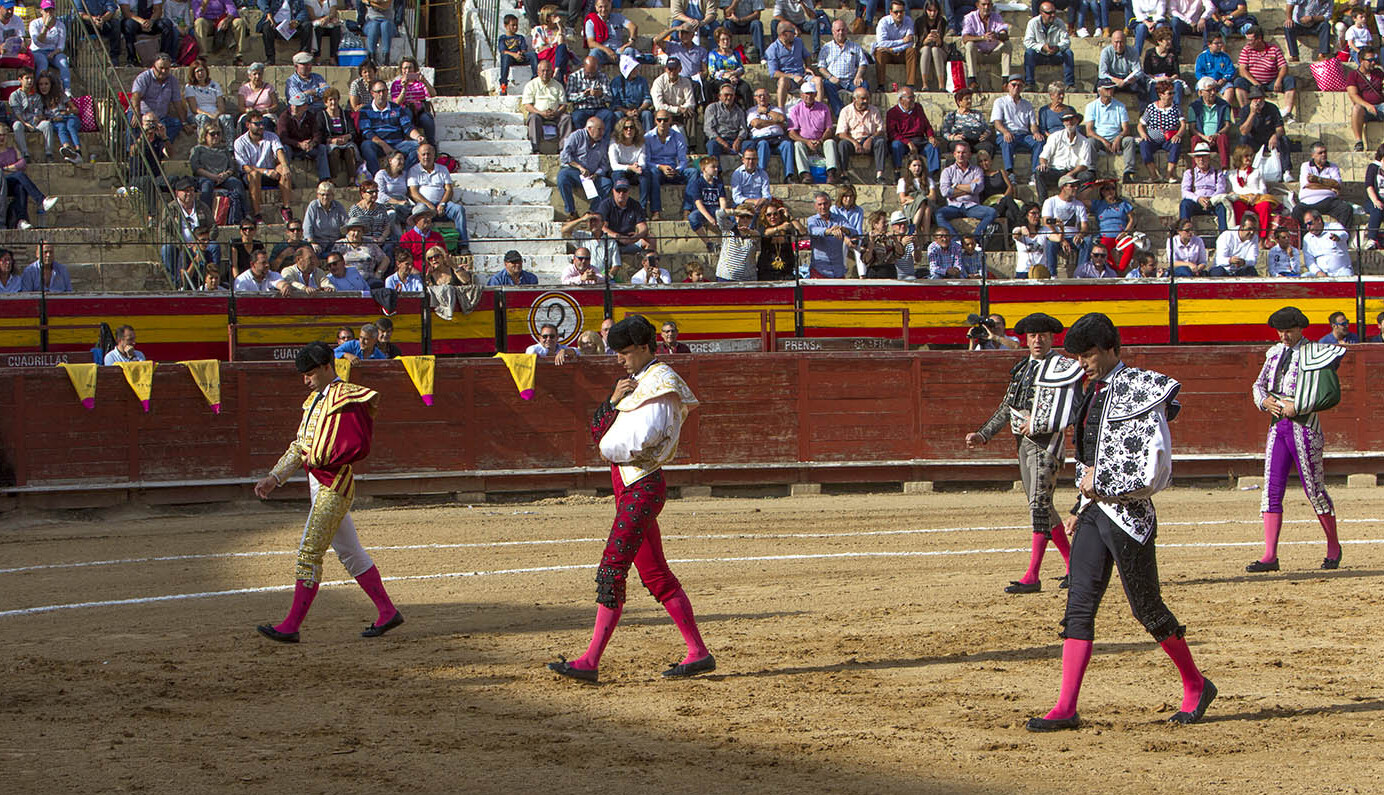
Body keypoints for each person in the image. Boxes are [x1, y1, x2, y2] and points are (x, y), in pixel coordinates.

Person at [1026, 312, 1215, 733]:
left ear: (1111, 348)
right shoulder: (1091, 391)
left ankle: (1196, 683)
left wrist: (1101, 485)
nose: (1082, 363)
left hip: (1130, 516)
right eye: (1078, 356)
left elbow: (1156, 470)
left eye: (1089, 354)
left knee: (1146, 607)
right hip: (1094, 513)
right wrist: (1079, 505)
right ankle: (1066, 707)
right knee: (1078, 606)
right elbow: (1091, 459)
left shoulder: (1144, 389)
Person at [548, 315, 712, 684]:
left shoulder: (661, 383)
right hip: (630, 488)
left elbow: (636, 441)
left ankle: (590, 661)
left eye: (623, 352)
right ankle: (698, 652)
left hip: (641, 487)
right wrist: (612, 401)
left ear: (642, 347)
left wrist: (610, 442)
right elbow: (598, 430)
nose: (619, 359)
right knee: (655, 575)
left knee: (612, 569)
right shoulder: (632, 383)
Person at [253, 342, 401, 643]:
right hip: (319, 484)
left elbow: (357, 443)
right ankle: (387, 612)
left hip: (333, 486)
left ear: (325, 367)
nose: (305, 380)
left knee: (309, 553)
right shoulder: (313, 402)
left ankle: (291, 626)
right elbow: (300, 446)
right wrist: (274, 477)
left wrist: (320, 458)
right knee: (350, 552)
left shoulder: (346, 396)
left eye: (310, 374)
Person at [966, 312, 1081, 592]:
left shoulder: (1062, 368)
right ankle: (1074, 567)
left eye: (1043, 336)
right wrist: (983, 434)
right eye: (1032, 336)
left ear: (1051, 339)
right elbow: (1007, 408)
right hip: (1023, 444)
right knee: (1042, 506)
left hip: (1046, 445)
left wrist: (1039, 423)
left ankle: (1032, 576)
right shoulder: (1022, 369)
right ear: (1026, 340)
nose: (1037, 340)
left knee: (1039, 506)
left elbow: (1071, 407)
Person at [1247, 306, 1346, 574]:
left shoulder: (1315, 353)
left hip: (1305, 427)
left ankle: (1333, 547)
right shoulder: (1274, 353)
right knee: (1271, 490)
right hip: (1278, 427)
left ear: (1300, 329)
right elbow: (1258, 385)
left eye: (1288, 331)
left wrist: (1298, 406)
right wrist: (1264, 401)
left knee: (1314, 489)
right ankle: (1270, 556)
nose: (1284, 336)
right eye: (1280, 331)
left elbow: (1328, 394)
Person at [406, 143, 469, 252]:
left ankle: (462, 244)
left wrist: (442, 203)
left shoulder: (443, 169)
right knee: (419, 211)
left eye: (429, 154)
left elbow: (449, 189)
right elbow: (413, 193)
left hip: (442, 204)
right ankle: (419, 246)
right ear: (418, 156)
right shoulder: (414, 170)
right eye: (423, 154)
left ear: (434, 155)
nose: (426, 157)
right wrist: (429, 204)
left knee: (459, 209)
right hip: (424, 205)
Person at [234, 109, 294, 223]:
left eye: (262, 123)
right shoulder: (239, 142)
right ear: (248, 125)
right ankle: (257, 214)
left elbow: (279, 151)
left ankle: (286, 208)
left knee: (283, 169)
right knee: (253, 174)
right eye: (257, 124)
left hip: (271, 173)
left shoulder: (272, 136)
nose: (261, 126)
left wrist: (285, 165)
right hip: (251, 176)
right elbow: (245, 167)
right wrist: (265, 171)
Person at [357, 79, 424, 175]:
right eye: (378, 91)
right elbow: (367, 132)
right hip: (378, 145)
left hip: (397, 145)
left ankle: (402, 174)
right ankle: (377, 176)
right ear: (372, 93)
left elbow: (407, 127)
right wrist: (384, 145)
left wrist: (418, 136)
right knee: (366, 146)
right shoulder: (365, 110)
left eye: (384, 91)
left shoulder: (396, 108)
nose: (381, 94)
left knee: (418, 147)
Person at [1234, 26, 1298, 124]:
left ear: (1259, 39)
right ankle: (1246, 112)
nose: (1248, 43)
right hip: (1253, 82)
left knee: (1290, 80)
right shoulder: (1246, 50)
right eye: (1247, 40)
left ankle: (1287, 112)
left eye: (1251, 40)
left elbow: (1283, 67)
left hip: (1271, 82)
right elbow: (1242, 70)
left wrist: (1279, 80)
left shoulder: (1273, 49)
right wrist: (1255, 83)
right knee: (1239, 82)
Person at [0, 127, 58, 230]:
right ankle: (41, 200)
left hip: (13, 181)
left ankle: (21, 221)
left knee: (21, 187)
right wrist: (12, 168)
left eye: (3, 135)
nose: (2, 137)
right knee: (19, 175)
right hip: (3, 183)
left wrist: (8, 168)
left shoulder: (12, 150)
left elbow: (22, 163)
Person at [936, 142, 997, 239]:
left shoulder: (977, 170)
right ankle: (956, 240)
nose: (961, 155)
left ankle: (975, 239)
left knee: (991, 212)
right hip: (954, 206)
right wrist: (970, 188)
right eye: (958, 152)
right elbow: (945, 192)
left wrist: (955, 186)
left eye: (964, 152)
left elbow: (979, 188)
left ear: (969, 154)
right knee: (939, 214)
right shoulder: (947, 171)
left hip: (972, 206)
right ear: (954, 154)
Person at [161, 176, 215, 287]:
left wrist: (205, 240)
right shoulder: (171, 209)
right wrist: (179, 244)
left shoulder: (202, 207)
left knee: (215, 246)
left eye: (191, 190)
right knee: (166, 248)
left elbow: (213, 226)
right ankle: (175, 284)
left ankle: (212, 279)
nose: (189, 193)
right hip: (180, 245)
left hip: (201, 244)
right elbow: (163, 230)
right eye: (185, 191)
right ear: (177, 193)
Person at [557, 116, 612, 220]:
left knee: (607, 183)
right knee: (562, 176)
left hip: (592, 176)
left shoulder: (604, 143)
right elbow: (565, 156)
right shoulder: (576, 136)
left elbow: (604, 164)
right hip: (575, 172)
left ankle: (591, 212)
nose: (602, 133)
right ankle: (571, 211)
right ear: (589, 128)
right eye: (599, 129)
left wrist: (596, 174)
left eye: (603, 130)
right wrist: (579, 167)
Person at [991, 75, 1044, 182]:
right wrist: (1005, 132)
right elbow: (997, 123)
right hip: (1007, 133)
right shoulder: (1000, 102)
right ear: (1008, 86)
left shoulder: (1027, 104)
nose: (1016, 87)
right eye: (1013, 85)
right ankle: (1010, 173)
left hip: (1023, 135)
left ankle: (1035, 173)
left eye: (1019, 85)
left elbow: (1033, 124)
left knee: (1039, 141)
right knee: (1007, 141)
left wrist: (1036, 132)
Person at [1035, 110, 1092, 202]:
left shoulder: (1084, 141)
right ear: (1063, 122)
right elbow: (1044, 156)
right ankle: (1042, 203)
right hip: (1056, 171)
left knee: (1088, 176)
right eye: (1066, 120)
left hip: (1073, 173)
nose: (1069, 122)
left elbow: (1084, 164)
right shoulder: (1055, 136)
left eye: (1072, 119)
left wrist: (1071, 174)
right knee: (1039, 172)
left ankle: (1078, 202)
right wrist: (1043, 164)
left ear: (1077, 120)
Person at [1292, 142, 1353, 227]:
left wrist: (1318, 180)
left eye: (1325, 152)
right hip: (1308, 202)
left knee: (1346, 208)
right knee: (1296, 211)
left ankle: (1341, 234)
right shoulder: (1306, 166)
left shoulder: (1333, 166)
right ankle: (1304, 235)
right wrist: (1329, 187)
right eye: (1320, 153)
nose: (1324, 155)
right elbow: (1308, 185)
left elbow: (1337, 184)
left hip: (1328, 201)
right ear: (1313, 155)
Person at [815, 18, 868, 116]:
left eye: (843, 30)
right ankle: (841, 114)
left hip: (851, 80)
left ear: (847, 31)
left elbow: (863, 63)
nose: (841, 32)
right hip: (833, 80)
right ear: (833, 31)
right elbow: (821, 67)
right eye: (838, 30)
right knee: (826, 85)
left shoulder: (855, 46)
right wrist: (830, 77)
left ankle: (861, 112)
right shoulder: (826, 48)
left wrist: (858, 76)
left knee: (864, 86)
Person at [887, 87, 942, 178]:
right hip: (903, 142)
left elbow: (927, 125)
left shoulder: (918, 108)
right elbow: (892, 134)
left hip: (919, 140)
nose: (913, 100)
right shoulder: (892, 113)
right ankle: (897, 173)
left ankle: (931, 176)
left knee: (933, 146)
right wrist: (908, 142)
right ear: (901, 100)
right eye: (910, 97)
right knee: (896, 145)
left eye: (913, 97)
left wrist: (931, 136)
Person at [836, 86, 887, 184]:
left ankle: (880, 175)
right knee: (842, 144)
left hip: (870, 139)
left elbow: (881, 130)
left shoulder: (874, 110)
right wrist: (854, 142)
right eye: (863, 99)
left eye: (867, 98)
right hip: (853, 140)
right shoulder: (846, 111)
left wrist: (871, 139)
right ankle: (844, 174)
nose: (866, 101)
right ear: (854, 99)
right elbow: (841, 133)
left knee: (881, 142)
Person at [521, 59, 572, 155]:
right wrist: (541, 113)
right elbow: (527, 106)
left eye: (548, 71)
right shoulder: (531, 85)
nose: (545, 73)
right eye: (543, 71)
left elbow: (563, 105)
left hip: (555, 114)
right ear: (538, 72)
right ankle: (535, 148)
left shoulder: (558, 85)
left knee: (566, 118)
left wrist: (557, 112)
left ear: (552, 72)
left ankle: (563, 149)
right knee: (533, 118)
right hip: (538, 114)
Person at [1236, 86, 1290, 176]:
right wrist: (1252, 113)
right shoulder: (1245, 110)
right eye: (1255, 98)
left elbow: (1280, 129)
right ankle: (1244, 169)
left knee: (1284, 139)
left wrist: (1275, 136)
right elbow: (1244, 131)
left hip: (1269, 140)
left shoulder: (1272, 108)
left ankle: (1286, 171)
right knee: (1243, 139)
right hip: (1254, 140)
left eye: (1260, 98)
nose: (1258, 101)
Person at [278, 93, 331, 184]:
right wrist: (298, 144)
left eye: (298, 106)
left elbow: (318, 134)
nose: (295, 108)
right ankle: (287, 180)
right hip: (293, 147)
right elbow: (283, 138)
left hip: (307, 147)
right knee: (285, 149)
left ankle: (324, 179)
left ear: (305, 107)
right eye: (293, 105)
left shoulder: (310, 116)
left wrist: (312, 143)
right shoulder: (284, 117)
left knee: (321, 148)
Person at [960, 0, 1013, 91]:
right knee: (969, 45)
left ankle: (1005, 82)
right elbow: (965, 38)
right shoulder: (969, 17)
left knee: (1007, 44)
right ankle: (972, 81)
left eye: (988, 5)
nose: (986, 7)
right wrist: (982, 37)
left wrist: (997, 35)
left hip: (993, 53)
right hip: (978, 54)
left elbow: (1005, 35)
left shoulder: (997, 17)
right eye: (983, 4)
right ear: (977, 5)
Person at [1138, 82, 1185, 183]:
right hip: (1153, 140)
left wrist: (1178, 134)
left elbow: (1183, 124)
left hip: (1169, 139)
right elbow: (1140, 125)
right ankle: (1153, 175)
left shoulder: (1176, 108)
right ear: (1161, 95)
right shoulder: (1151, 108)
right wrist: (1143, 134)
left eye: (1173, 93)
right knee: (1144, 145)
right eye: (1169, 93)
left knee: (1176, 144)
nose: (1172, 96)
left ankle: (1169, 174)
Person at [1024, 2, 1076, 88]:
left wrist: (1057, 47)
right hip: (1040, 54)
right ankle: (1030, 84)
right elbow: (1027, 42)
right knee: (1029, 53)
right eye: (1049, 13)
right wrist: (1042, 47)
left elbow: (1066, 41)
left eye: (1054, 12)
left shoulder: (1060, 22)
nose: (1052, 15)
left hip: (1055, 54)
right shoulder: (1033, 23)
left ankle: (1070, 85)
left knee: (1068, 53)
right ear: (1041, 13)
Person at [765, 23, 815, 110]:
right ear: (784, 34)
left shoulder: (798, 42)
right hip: (788, 79)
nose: (795, 34)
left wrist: (808, 67)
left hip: (803, 76)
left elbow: (807, 56)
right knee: (782, 82)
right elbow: (774, 73)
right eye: (792, 31)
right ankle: (781, 110)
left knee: (818, 81)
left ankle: (819, 110)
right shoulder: (772, 49)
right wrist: (793, 77)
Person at [1179, 141, 1229, 231]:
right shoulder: (1189, 173)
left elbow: (1221, 189)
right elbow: (1185, 191)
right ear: (1195, 159)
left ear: (1209, 158)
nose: (1201, 159)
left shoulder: (1218, 173)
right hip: (1196, 203)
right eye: (1198, 157)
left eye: (1204, 156)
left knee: (1222, 206)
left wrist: (1211, 199)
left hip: (1213, 202)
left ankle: (1224, 234)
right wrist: (1198, 199)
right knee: (1185, 204)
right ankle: (1184, 232)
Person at [746, 87, 794, 178]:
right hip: (761, 139)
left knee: (787, 144)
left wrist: (767, 111)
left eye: (765, 95)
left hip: (778, 139)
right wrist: (775, 122)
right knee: (763, 144)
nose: (762, 98)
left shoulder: (776, 109)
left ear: (769, 97)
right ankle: (761, 175)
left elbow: (781, 119)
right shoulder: (751, 111)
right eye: (759, 96)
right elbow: (757, 124)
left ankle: (789, 176)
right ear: (755, 98)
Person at [598, 177, 654, 253]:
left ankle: (650, 260)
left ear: (629, 191)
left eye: (624, 191)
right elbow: (602, 227)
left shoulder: (635, 205)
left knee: (651, 238)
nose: (621, 194)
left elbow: (643, 227)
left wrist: (637, 236)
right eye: (618, 190)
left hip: (630, 241)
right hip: (612, 242)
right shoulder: (605, 205)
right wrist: (619, 237)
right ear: (613, 191)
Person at [1188, 76, 1232, 171]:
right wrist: (1204, 137)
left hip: (1217, 136)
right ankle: (1195, 169)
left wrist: (1217, 134)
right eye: (1209, 90)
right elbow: (1192, 127)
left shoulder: (1224, 105)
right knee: (1195, 139)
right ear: (1201, 92)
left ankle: (1225, 168)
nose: (1212, 93)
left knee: (1223, 138)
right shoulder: (1194, 106)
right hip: (1202, 138)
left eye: (1214, 90)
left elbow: (1227, 125)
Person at [1089, 181, 1136, 271]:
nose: (1110, 191)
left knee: (1130, 246)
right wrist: (1094, 186)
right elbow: (1080, 199)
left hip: (1121, 235)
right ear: (1102, 191)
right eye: (1107, 189)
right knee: (1102, 249)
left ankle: (1121, 269)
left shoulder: (1123, 204)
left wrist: (1125, 232)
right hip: (1105, 235)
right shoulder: (1098, 204)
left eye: (1113, 188)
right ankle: (1114, 270)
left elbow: (1132, 219)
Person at [684, 158, 729, 251]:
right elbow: (698, 204)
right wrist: (710, 218)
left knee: (733, 218)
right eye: (713, 167)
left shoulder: (719, 183)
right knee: (692, 217)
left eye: (717, 167)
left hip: (716, 209)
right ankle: (708, 243)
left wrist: (722, 214)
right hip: (703, 211)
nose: (716, 169)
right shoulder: (697, 183)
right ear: (704, 169)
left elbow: (722, 200)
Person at [567, 55, 617, 137]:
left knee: (609, 115)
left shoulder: (602, 77)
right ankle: (583, 140)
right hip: (581, 109)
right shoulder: (574, 77)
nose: (591, 75)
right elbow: (569, 97)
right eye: (588, 73)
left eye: (593, 73)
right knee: (577, 118)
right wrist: (583, 95)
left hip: (599, 108)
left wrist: (600, 94)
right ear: (583, 67)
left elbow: (609, 97)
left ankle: (604, 141)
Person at [874, 1, 919, 91]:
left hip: (900, 52)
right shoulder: (883, 22)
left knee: (911, 51)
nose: (899, 14)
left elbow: (910, 42)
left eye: (901, 12)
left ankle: (910, 84)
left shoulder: (908, 21)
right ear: (890, 12)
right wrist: (902, 41)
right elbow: (881, 43)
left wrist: (892, 49)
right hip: (887, 53)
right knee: (879, 52)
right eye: (896, 12)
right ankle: (881, 85)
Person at [707, 27, 754, 112]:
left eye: (727, 39)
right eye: (723, 40)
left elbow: (741, 68)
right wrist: (727, 76)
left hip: (735, 78)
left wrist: (734, 74)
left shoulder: (735, 54)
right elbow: (712, 72)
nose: (725, 42)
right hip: (720, 80)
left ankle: (750, 112)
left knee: (745, 88)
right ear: (718, 42)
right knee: (726, 84)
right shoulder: (713, 54)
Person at [939, 89, 995, 160]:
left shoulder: (977, 114)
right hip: (961, 141)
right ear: (959, 102)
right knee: (961, 147)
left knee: (989, 147)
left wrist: (985, 134)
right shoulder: (952, 115)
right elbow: (944, 132)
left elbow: (987, 129)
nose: (969, 101)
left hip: (976, 141)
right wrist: (953, 137)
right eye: (966, 99)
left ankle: (984, 166)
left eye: (970, 99)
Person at [1347, 47, 1384, 152]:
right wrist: (1367, 105)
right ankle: (1359, 141)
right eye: (1370, 60)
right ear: (1361, 61)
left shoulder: (1378, 73)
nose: (1373, 63)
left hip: (1380, 106)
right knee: (1356, 109)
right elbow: (1353, 95)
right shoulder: (1353, 75)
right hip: (1365, 109)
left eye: (1374, 60)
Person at [120, 0, 179, 65]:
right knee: (128, 24)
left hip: (150, 20)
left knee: (166, 23)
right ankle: (132, 59)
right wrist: (142, 21)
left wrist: (151, 21)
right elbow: (126, 12)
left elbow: (158, 10)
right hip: (134, 21)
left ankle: (164, 57)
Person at [29, 1, 71, 92]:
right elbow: (37, 42)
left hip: (53, 51)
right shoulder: (34, 24)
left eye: (51, 10)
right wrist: (46, 27)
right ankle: (39, 89)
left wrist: (53, 53)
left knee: (63, 61)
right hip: (37, 50)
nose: (49, 13)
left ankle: (67, 90)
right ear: (41, 11)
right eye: (46, 10)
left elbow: (61, 45)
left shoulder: (60, 25)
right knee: (43, 62)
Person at [757, 200, 804, 280]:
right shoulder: (763, 228)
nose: (772, 217)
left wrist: (790, 217)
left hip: (786, 272)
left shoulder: (786, 228)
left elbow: (802, 231)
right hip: (767, 273)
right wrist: (780, 228)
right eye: (769, 215)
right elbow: (765, 233)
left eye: (775, 214)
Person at [333, 217, 388, 285]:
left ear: (362, 232)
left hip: (368, 280)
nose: (356, 234)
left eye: (359, 231)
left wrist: (378, 273)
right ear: (348, 231)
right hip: (346, 279)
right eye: (353, 230)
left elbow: (385, 260)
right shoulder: (340, 244)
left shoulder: (370, 243)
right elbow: (333, 263)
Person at [192, 0, 248, 64]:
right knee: (199, 22)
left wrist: (227, 20)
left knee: (239, 22)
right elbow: (197, 15)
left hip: (221, 21)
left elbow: (233, 11)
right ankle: (202, 55)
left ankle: (238, 56)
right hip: (207, 22)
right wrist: (204, 4)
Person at [703, 83, 748, 160]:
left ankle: (746, 165)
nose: (729, 97)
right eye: (726, 95)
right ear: (719, 96)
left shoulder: (739, 111)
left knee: (749, 144)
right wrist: (722, 142)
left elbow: (743, 129)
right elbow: (708, 129)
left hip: (734, 140)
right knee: (712, 145)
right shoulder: (712, 108)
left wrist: (738, 140)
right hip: (718, 140)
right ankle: (716, 167)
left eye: (731, 95)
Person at [1301, 211, 1353, 276]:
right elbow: (1309, 260)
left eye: (1310, 223)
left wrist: (1338, 237)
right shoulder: (1307, 238)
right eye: (1306, 225)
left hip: (1341, 271)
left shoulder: (1334, 226)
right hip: (1321, 274)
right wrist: (1318, 272)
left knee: (1347, 276)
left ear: (1318, 220)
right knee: (1304, 276)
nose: (1308, 227)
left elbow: (1344, 235)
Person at [1097, 29, 1146, 97]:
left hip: (1127, 79)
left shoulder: (1133, 52)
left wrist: (1134, 78)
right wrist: (1115, 80)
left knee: (1142, 84)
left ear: (1125, 42)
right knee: (1102, 85)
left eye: (1121, 42)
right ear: (1112, 42)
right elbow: (1102, 73)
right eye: (1116, 42)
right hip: (1111, 79)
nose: (1119, 45)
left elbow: (1139, 70)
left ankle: (1144, 104)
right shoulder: (1106, 52)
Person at [73, 0, 123, 65]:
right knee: (74, 24)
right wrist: (94, 19)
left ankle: (114, 57)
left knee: (115, 23)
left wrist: (102, 19)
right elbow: (80, 13)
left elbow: (111, 10)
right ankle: (73, 57)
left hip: (103, 21)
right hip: (87, 23)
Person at [302, 180, 349, 251]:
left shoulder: (338, 206)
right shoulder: (313, 206)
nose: (325, 197)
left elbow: (347, 223)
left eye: (328, 195)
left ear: (333, 196)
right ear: (318, 195)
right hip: (317, 243)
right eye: (322, 194)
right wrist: (312, 242)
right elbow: (307, 227)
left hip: (334, 243)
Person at [915, 0, 950, 92]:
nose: (932, 13)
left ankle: (941, 85)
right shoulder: (919, 21)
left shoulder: (942, 21)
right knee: (926, 49)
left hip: (939, 50)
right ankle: (924, 84)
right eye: (930, 10)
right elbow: (916, 43)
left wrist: (938, 41)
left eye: (935, 11)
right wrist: (925, 41)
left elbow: (944, 43)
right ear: (926, 10)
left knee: (935, 50)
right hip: (923, 50)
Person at [396, 203, 442, 271]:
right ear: (416, 219)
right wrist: (415, 272)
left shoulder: (437, 236)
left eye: (429, 216)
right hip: (414, 273)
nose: (428, 219)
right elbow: (404, 260)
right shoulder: (406, 238)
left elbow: (443, 256)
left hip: (436, 272)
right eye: (424, 216)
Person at [1195, 32, 1237, 102]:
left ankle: (1223, 108)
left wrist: (1224, 79)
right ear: (1209, 44)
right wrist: (1209, 81)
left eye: (1221, 43)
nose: (1220, 45)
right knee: (1201, 88)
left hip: (1222, 82)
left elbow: (1231, 70)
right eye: (1217, 43)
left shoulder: (1225, 57)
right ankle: (1205, 107)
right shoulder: (1202, 57)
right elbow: (1198, 73)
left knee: (1229, 89)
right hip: (1207, 82)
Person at [360, 0, 396, 65]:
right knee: (374, 25)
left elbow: (385, 5)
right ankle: (372, 56)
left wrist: (371, 2)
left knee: (385, 25)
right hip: (371, 21)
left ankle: (386, 56)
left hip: (387, 21)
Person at [1366, 142, 1384, 249]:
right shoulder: (1373, 167)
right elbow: (1369, 186)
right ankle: (1371, 239)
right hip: (1374, 200)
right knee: (1377, 209)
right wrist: (1376, 200)